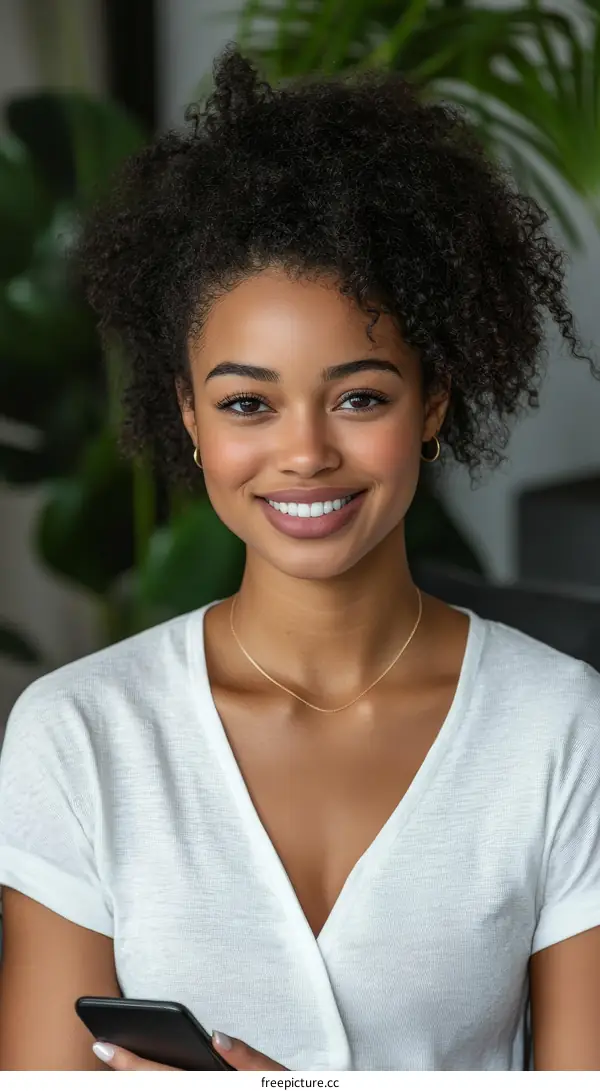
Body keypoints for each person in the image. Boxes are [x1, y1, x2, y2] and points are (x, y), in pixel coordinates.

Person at [1, 43, 599, 1073]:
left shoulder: (559, 726)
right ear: (189, 418)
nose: (307, 451)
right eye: (247, 403)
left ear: (435, 402)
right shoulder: (80, 734)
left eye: (360, 394)